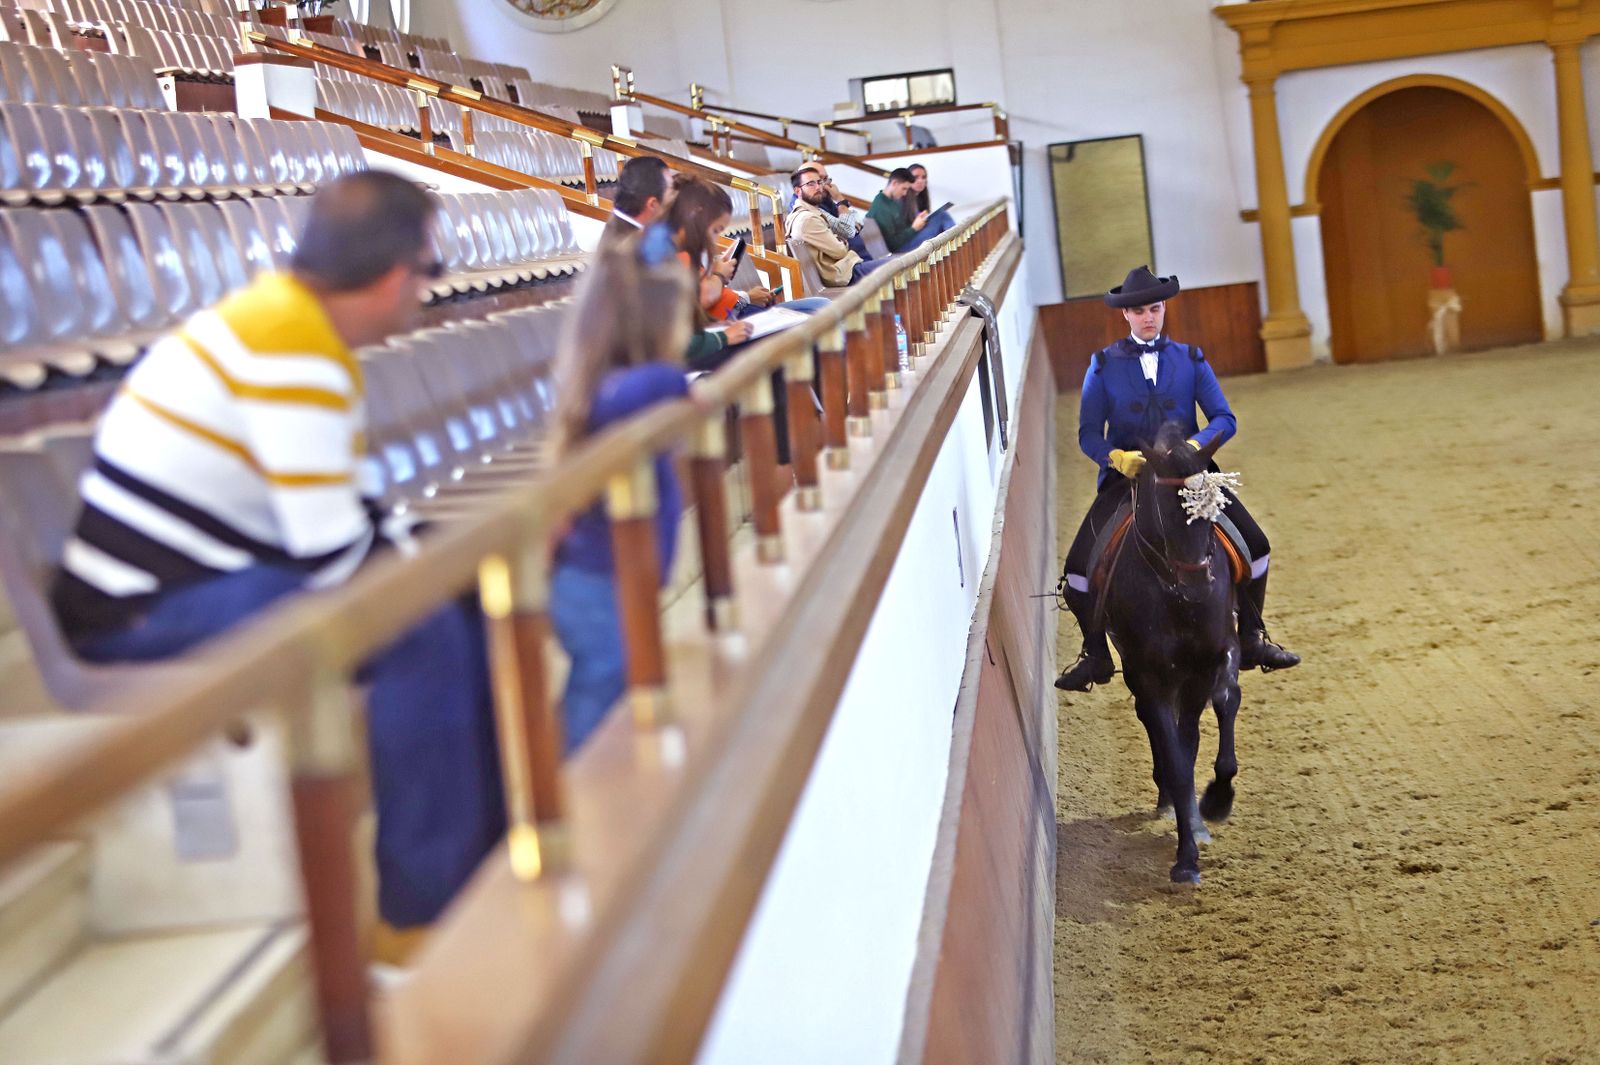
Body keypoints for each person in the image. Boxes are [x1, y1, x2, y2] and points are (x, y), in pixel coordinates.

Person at [48, 171, 507, 940]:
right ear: (396, 274)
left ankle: (488, 853)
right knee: (415, 628)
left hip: (215, 572)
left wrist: (459, 553)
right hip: (139, 610)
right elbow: (336, 559)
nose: (428, 293)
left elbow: (358, 515)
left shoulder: (296, 328)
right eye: (431, 272)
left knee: (459, 592)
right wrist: (441, 559)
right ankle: (430, 905)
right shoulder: (289, 347)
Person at [1055, 265, 1301, 691]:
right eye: (1139, 311)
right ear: (1125, 316)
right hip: (1130, 482)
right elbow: (1088, 433)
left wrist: (1196, 446)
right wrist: (1114, 457)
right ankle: (1094, 653)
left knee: (1256, 545)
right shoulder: (1102, 365)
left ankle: (1252, 636)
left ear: (1163, 309)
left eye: (1155, 308)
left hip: (1190, 480)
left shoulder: (1190, 359)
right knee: (1078, 568)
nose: (1149, 317)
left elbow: (1225, 417)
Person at [546, 241, 696, 749]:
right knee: (606, 673)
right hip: (593, 577)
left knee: (617, 675)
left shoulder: (607, 386)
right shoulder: (625, 390)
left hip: (614, 571)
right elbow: (668, 381)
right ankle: (567, 778)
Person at [785, 167, 893, 288]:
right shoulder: (807, 219)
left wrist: (837, 238)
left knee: (899, 264)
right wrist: (841, 239)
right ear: (798, 191)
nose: (818, 187)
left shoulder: (812, 211)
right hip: (843, 275)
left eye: (820, 182)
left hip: (846, 269)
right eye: (810, 184)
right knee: (897, 266)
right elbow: (840, 251)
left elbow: (852, 228)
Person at [866, 167, 954, 253]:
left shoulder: (891, 201)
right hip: (900, 248)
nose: (905, 193)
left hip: (908, 239)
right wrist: (913, 228)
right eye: (904, 189)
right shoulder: (882, 206)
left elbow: (902, 228)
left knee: (940, 216)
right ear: (894, 183)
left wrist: (918, 221)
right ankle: (956, 243)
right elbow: (892, 244)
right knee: (942, 216)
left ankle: (955, 244)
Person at [793, 162, 869, 258]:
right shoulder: (807, 207)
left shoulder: (824, 199)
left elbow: (858, 220)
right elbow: (847, 231)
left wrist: (849, 219)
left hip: (857, 256)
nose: (821, 186)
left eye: (823, 180)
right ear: (799, 188)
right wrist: (840, 200)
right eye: (812, 183)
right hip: (846, 264)